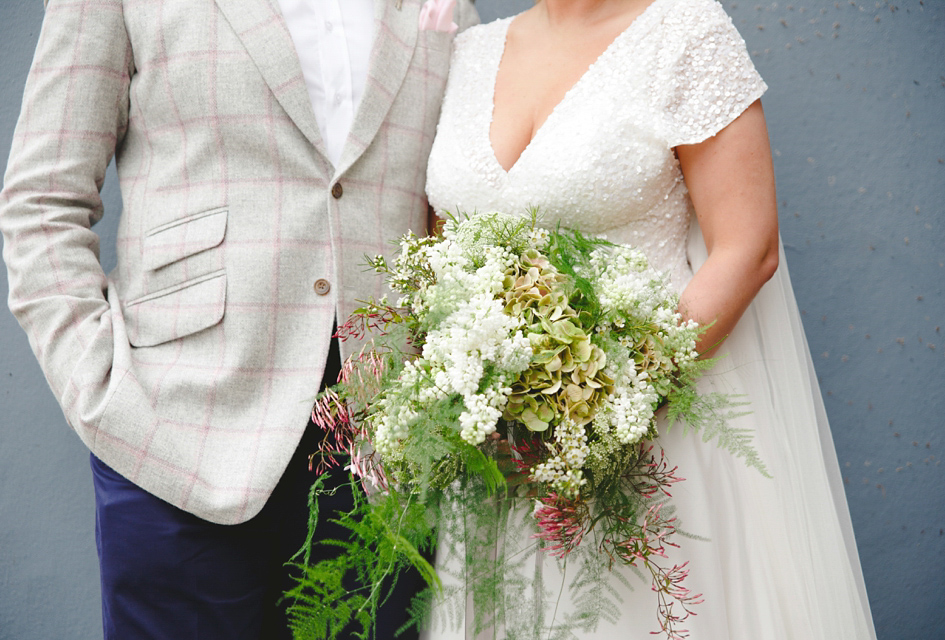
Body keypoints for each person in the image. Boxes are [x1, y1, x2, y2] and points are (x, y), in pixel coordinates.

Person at [0, 0, 477, 638]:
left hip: (382, 459)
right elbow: (42, 201)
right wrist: (100, 393)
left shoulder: (445, 10)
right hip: (176, 439)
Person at [422, 0, 878, 637]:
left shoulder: (685, 32)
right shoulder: (471, 50)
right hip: (498, 453)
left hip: (651, 438)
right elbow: (443, 249)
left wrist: (602, 416)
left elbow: (748, 248)